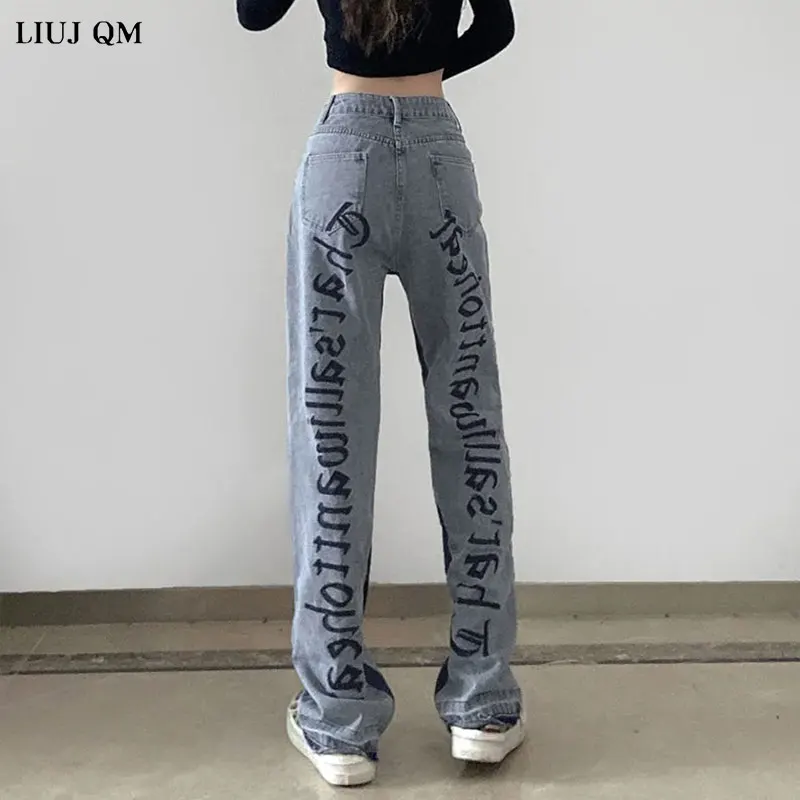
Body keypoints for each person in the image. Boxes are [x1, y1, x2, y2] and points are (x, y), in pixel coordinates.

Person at [237, 0, 523, 786]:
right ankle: (483, 702)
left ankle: (338, 721)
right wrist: (420, 69)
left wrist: (370, 69)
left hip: (344, 156)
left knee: (331, 428)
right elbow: (496, 28)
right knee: (469, 419)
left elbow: (254, 14)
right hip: (439, 157)